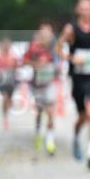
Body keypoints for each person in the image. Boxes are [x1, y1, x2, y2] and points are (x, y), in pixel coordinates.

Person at [60, 0, 90, 170]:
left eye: (89, 8)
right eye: (83, 8)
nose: (86, 11)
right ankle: (76, 132)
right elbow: (58, 49)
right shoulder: (71, 29)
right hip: (78, 78)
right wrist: (73, 58)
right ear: (77, 10)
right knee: (83, 116)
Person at [24, 23, 59, 155]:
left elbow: (61, 62)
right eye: (44, 33)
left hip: (50, 83)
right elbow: (24, 60)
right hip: (37, 85)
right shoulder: (33, 48)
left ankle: (50, 140)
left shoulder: (54, 48)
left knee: (50, 112)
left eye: (49, 34)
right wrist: (36, 64)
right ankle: (38, 133)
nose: (46, 36)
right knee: (39, 112)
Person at [0, 39, 20, 130]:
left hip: (11, 81)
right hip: (2, 81)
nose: (6, 47)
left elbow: (17, 68)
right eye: (4, 46)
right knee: (5, 98)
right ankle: (5, 118)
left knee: (9, 100)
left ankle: (8, 107)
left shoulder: (13, 57)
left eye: (7, 46)